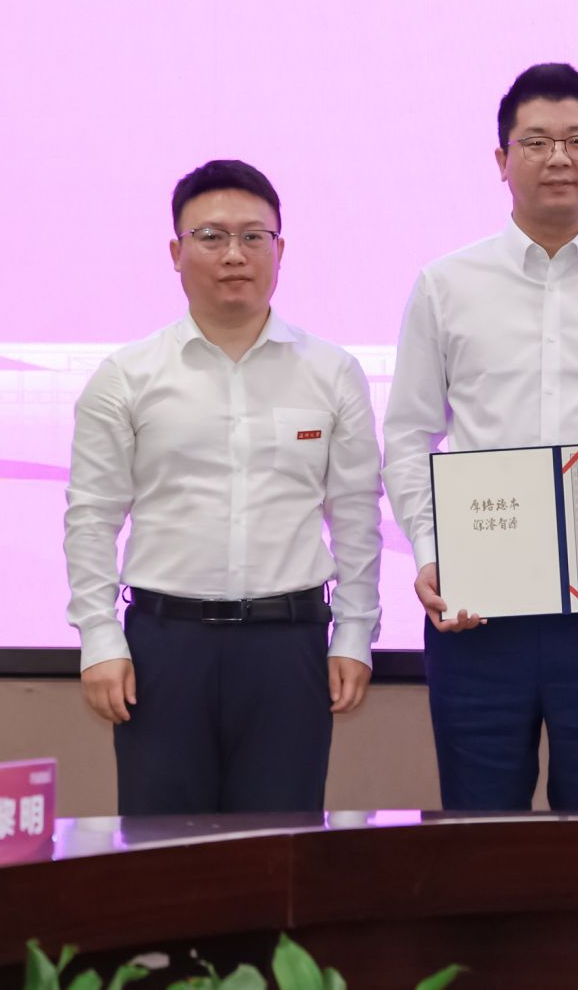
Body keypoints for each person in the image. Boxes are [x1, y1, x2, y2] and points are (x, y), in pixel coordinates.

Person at [382, 63, 578, 813]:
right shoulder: (446, 284)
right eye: (535, 141)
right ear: (502, 159)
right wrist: (432, 551)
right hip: (479, 613)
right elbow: (407, 434)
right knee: (481, 835)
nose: (557, 157)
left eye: (576, 140)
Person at [63, 159, 382, 815]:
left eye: (253, 236)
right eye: (210, 237)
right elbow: (91, 518)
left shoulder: (331, 371)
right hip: (164, 646)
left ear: (280, 250)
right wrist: (98, 636)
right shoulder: (127, 376)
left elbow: (355, 515)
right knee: (164, 850)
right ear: (175, 252)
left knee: (280, 847)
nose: (234, 254)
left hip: (288, 646)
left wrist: (355, 634)